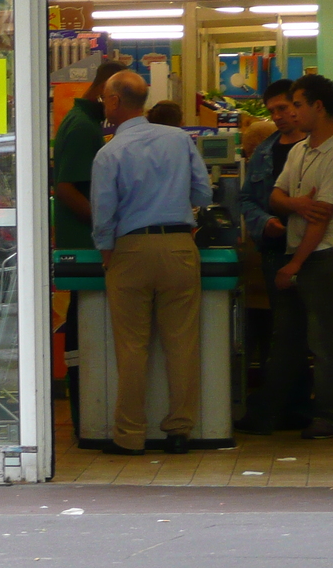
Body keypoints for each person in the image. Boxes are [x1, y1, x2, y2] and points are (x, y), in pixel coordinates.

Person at [90, 70, 213, 455]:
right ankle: (179, 431)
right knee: (182, 344)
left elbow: (103, 213)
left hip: (130, 250)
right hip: (179, 246)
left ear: (113, 102)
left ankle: (130, 436)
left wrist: (107, 251)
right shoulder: (180, 139)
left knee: (131, 347)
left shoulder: (109, 152)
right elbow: (203, 191)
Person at [267, 74, 333, 439]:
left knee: (327, 342)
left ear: (318, 107)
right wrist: (297, 204)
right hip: (300, 254)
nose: (293, 112)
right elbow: (276, 196)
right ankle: (287, 409)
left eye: (299, 105)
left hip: (323, 258)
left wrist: (294, 264)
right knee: (290, 338)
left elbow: (321, 221)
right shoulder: (299, 150)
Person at [51, 59, 126, 434]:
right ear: (107, 94)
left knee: (83, 331)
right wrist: (106, 224)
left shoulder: (80, 121)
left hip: (82, 244)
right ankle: (88, 415)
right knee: (87, 333)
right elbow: (65, 189)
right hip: (85, 247)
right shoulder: (83, 129)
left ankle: (87, 412)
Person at [234, 79, 311, 434]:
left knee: (312, 334)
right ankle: (286, 407)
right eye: (273, 111)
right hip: (274, 254)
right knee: (283, 332)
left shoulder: (319, 149)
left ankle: (301, 406)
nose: (279, 116)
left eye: (284, 108)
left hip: (315, 253)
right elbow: (246, 199)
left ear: (299, 105)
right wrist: (265, 223)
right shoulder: (264, 153)